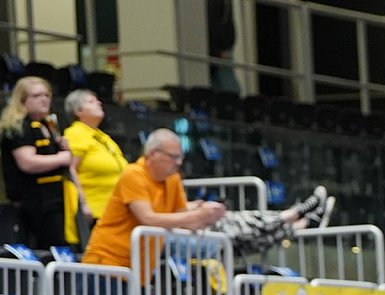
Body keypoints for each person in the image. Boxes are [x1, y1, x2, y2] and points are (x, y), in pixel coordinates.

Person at [82, 128, 328, 269]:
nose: (179, 163)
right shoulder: (134, 174)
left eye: (180, 157)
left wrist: (200, 210)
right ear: (153, 154)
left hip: (140, 263)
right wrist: (198, 216)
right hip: (109, 262)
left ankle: (297, 223)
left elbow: (178, 212)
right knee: (231, 228)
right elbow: (148, 217)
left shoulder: (172, 179)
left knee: (240, 238)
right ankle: (293, 217)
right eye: (173, 157)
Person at [1, 75, 82, 249]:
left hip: (54, 200)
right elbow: (27, 162)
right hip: (34, 202)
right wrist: (61, 158)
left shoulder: (47, 125)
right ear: (22, 100)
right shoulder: (19, 126)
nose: (44, 99)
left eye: (47, 95)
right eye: (37, 95)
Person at [61, 88, 129, 247]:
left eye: (97, 100)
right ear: (78, 111)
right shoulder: (76, 133)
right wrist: (83, 204)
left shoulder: (103, 137)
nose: (99, 103)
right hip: (96, 211)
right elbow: (71, 170)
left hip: (116, 211)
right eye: (91, 101)